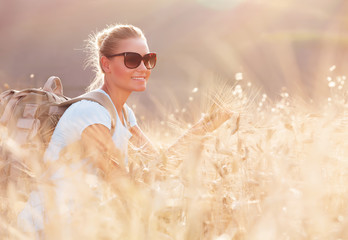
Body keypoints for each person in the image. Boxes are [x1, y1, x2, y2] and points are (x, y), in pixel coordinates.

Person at [18, 24, 238, 234]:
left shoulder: (124, 115)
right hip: (49, 227)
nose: (143, 68)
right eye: (132, 60)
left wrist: (205, 126)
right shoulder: (90, 113)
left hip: (85, 224)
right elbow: (121, 182)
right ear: (106, 65)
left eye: (148, 59)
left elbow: (160, 167)